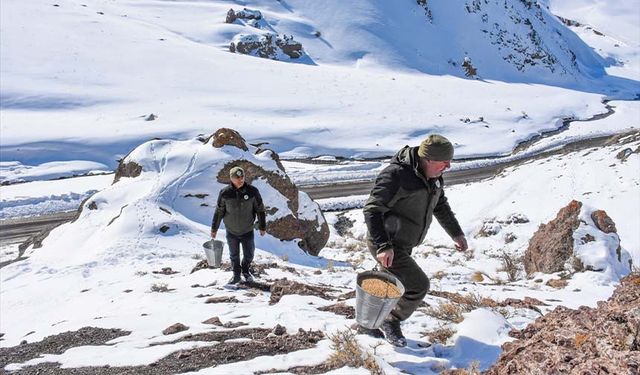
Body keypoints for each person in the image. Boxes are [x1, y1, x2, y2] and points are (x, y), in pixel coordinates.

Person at [362, 134, 468, 347]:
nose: (448, 166)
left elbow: (440, 205)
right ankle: (392, 320)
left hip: (403, 243)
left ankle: (367, 325)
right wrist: (383, 246)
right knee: (417, 285)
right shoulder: (396, 176)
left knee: (387, 284)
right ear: (427, 159)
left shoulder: (433, 176)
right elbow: (372, 210)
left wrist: (456, 233)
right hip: (386, 243)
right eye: (444, 162)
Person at [211, 166, 267, 284]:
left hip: (247, 230)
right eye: (237, 177)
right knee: (234, 255)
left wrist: (262, 226)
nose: (240, 179)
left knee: (249, 254)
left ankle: (245, 270)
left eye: (242, 177)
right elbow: (219, 211)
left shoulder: (252, 191)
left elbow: (260, 209)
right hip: (231, 231)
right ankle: (236, 275)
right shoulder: (225, 193)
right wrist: (214, 228)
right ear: (231, 178)